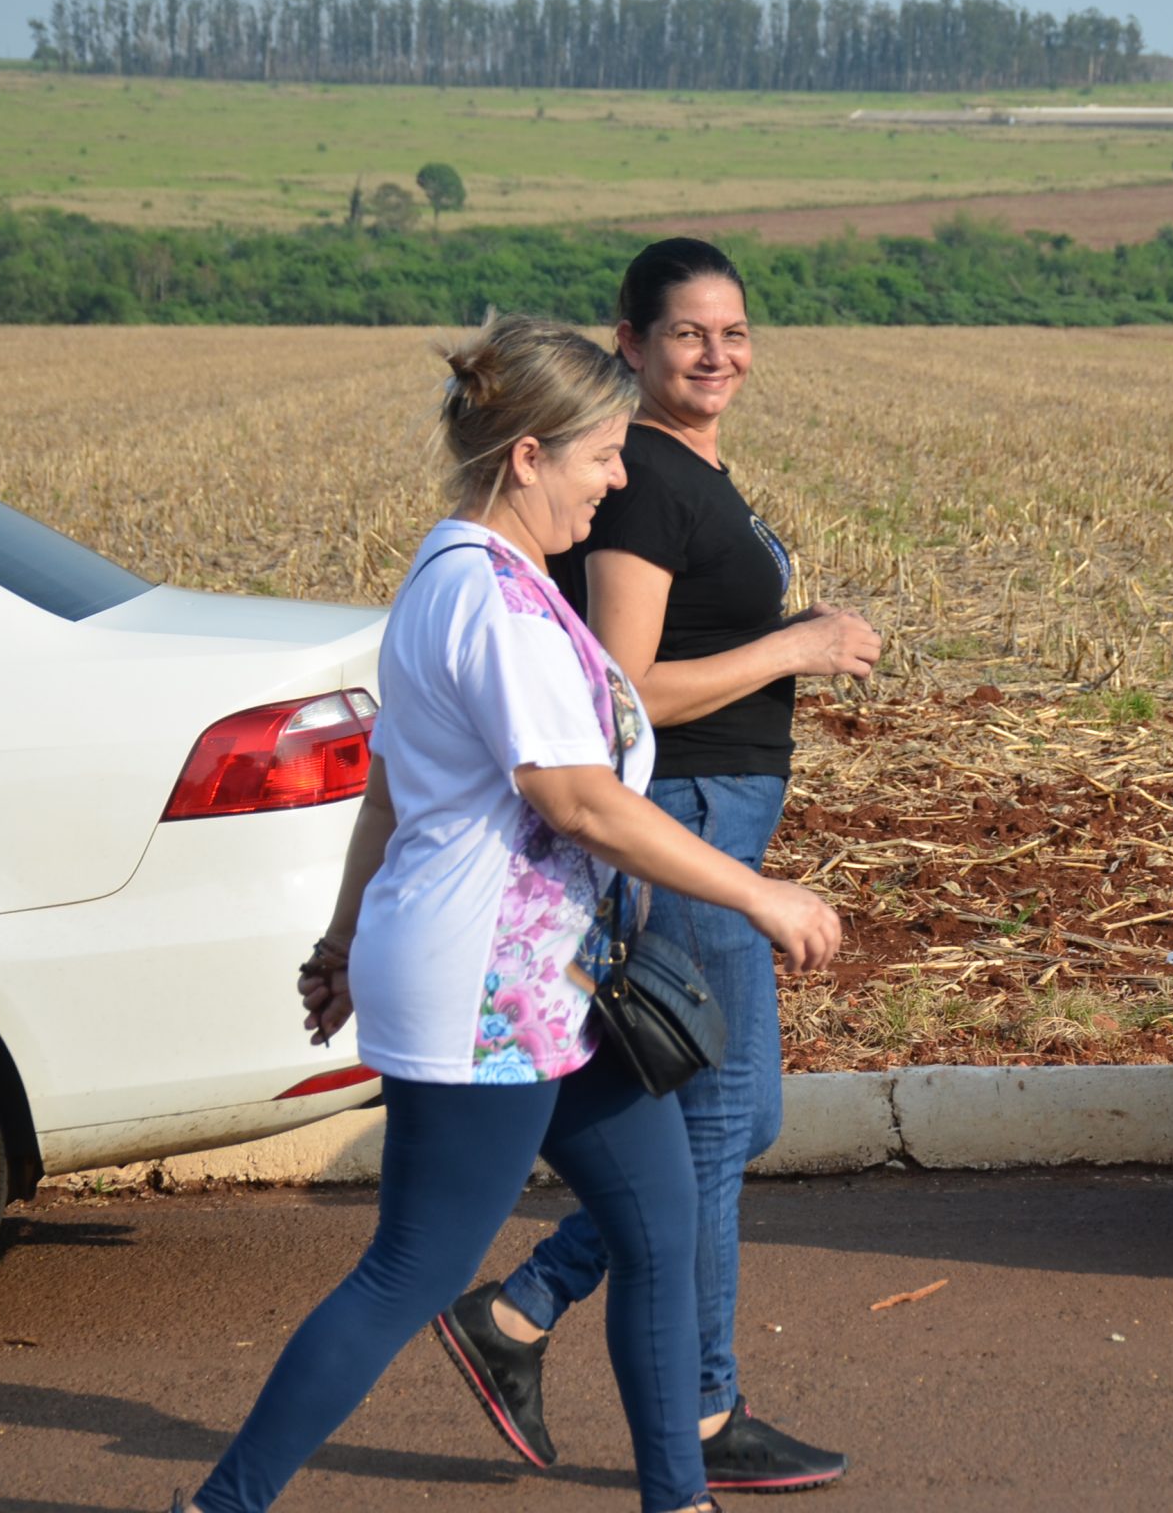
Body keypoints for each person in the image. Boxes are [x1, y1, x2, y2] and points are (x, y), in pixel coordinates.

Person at [175, 315, 841, 1513]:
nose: (619, 476)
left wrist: (341, 942)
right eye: (599, 455)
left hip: (547, 989)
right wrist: (758, 892)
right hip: (489, 993)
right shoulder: (491, 602)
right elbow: (577, 800)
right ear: (527, 456)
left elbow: (392, 789)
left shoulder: (470, 578)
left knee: (660, 1224)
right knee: (409, 1271)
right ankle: (219, 1506)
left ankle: (675, 1497)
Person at [430, 240, 880, 1494]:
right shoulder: (643, 491)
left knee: (739, 1121)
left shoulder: (687, 472)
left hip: (717, 812)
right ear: (629, 343)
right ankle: (701, 1412)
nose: (717, 353)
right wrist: (793, 645)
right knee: (720, 1119)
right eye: (689, 333)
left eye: (734, 331)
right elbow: (622, 689)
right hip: (683, 820)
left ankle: (518, 1312)